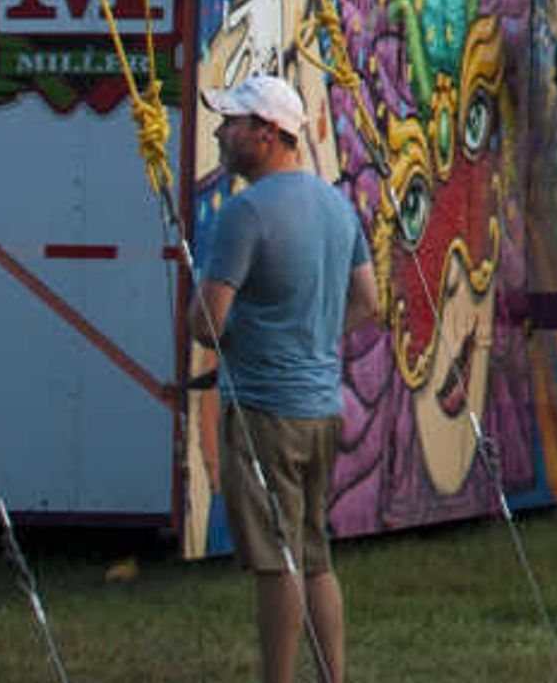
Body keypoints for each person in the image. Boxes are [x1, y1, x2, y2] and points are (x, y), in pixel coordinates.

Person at [192, 72, 382, 683]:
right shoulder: (336, 204)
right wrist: (313, 335)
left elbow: (208, 323)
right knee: (314, 553)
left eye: (232, 123)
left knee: (277, 564)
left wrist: (209, 309)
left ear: (269, 134)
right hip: (322, 408)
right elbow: (369, 302)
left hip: (263, 414)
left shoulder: (244, 213)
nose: (220, 133)